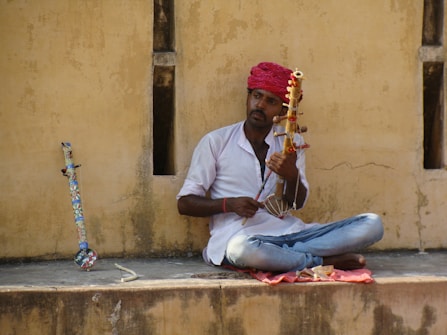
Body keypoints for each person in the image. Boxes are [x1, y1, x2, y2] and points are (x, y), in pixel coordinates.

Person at [177, 61, 384, 273]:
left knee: (372, 224)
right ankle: (319, 262)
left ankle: (292, 256)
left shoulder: (290, 142)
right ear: (248, 97)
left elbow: (296, 203)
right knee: (243, 251)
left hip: (292, 232)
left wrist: (291, 174)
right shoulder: (216, 142)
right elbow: (185, 203)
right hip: (241, 238)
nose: (260, 105)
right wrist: (229, 204)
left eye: (271, 101)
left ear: (283, 110)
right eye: (256, 96)